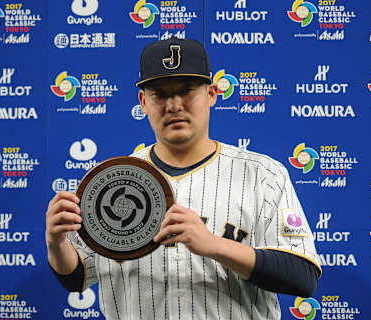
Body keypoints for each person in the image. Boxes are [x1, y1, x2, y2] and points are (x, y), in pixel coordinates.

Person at [46, 37, 321, 320]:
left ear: (212, 94)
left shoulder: (263, 174)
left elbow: (302, 275)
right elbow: (77, 277)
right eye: (160, 93)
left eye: (187, 90)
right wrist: (56, 243)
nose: (174, 105)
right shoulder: (108, 182)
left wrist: (214, 245)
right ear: (143, 101)